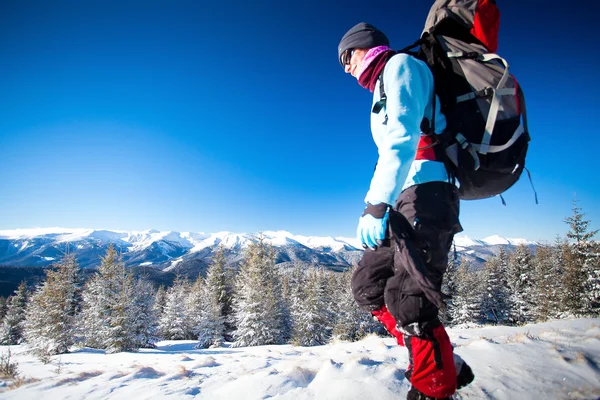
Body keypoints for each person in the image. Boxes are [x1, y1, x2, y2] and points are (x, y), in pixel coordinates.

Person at [338, 22, 474, 400]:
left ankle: (434, 385)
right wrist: (383, 202)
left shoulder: (401, 68)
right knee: (368, 286)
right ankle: (435, 353)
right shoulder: (382, 84)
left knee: (410, 302)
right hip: (403, 197)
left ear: (365, 47)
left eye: (346, 57)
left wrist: (374, 205)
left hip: (428, 192)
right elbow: (391, 153)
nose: (346, 68)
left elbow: (403, 137)